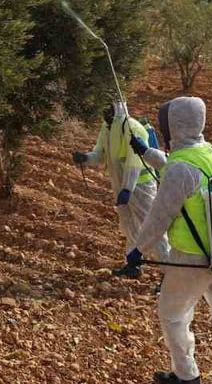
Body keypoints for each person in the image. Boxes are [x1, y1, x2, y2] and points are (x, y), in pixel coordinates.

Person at [123, 97, 212, 384]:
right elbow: (182, 169)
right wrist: (147, 152)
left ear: (176, 126)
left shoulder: (180, 168)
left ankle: (186, 376)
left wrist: (136, 251)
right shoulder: (209, 151)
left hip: (191, 258)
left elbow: (160, 214)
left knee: (172, 313)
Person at [72, 102, 168, 276]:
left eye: (108, 108)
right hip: (121, 187)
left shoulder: (131, 128)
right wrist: (85, 158)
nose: (105, 112)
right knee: (129, 226)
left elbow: (134, 162)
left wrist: (128, 189)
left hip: (141, 187)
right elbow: (100, 154)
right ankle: (133, 265)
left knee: (152, 227)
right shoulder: (107, 128)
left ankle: (170, 272)